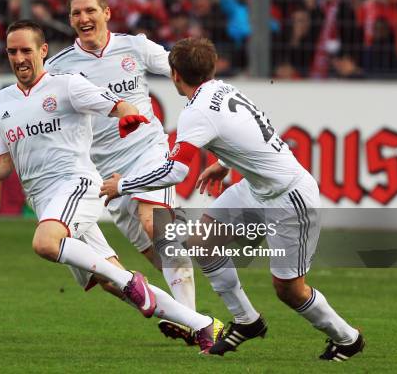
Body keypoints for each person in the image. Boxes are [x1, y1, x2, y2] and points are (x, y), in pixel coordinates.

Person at [0, 20, 221, 352]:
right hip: (43, 199)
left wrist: (127, 116)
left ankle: (134, 282)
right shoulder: (0, 103)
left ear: (42, 51)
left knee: (46, 243)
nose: (20, 58)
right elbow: (2, 164)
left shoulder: (67, 85)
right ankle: (200, 324)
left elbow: (118, 104)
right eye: (12, 51)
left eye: (26, 50)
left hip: (76, 183)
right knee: (107, 280)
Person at [100, 37, 365, 361]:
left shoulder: (196, 112)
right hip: (256, 189)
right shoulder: (224, 89)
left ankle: (347, 338)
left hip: (289, 198)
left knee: (289, 290)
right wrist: (224, 164)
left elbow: (175, 171)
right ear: (212, 67)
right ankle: (246, 321)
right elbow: (251, 130)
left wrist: (123, 185)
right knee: (203, 241)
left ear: (174, 75)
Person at [44, 0, 199, 345]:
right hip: (105, 175)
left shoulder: (135, 47)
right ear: (70, 20)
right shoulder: (59, 68)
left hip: (148, 151)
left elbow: (186, 75)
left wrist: (206, 112)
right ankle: (193, 307)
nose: (84, 18)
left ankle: (194, 323)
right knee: (151, 254)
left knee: (153, 223)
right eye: (76, 14)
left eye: (90, 11)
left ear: (107, 13)